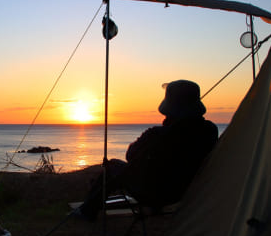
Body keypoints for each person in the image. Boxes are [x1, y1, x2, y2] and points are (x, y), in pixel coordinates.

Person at [78, 79, 219, 221]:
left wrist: (164, 130)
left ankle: (88, 211)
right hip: (189, 192)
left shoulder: (157, 134)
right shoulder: (210, 131)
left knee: (113, 166)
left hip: (154, 193)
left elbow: (130, 156)